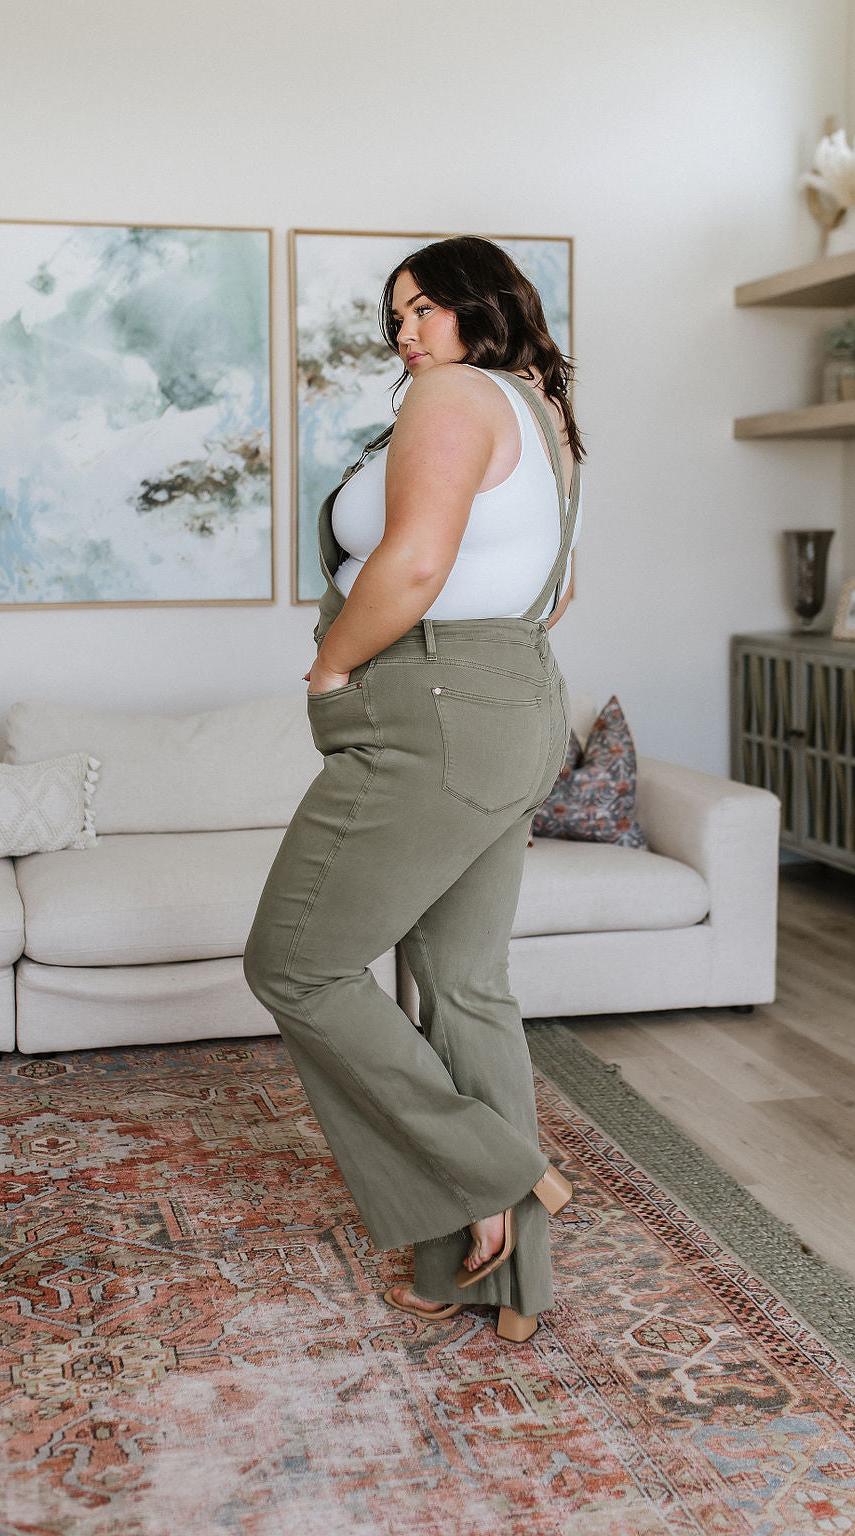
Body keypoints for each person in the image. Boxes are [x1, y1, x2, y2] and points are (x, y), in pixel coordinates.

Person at [243, 235, 585, 1343]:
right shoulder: (542, 414)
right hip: (515, 701)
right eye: (395, 315)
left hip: (431, 706)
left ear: (484, 305)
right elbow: (556, 593)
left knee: (295, 962)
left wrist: (333, 666)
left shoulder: (452, 396)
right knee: (463, 984)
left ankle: (499, 1169)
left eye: (426, 306)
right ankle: (493, 1279)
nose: (405, 331)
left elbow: (418, 563)